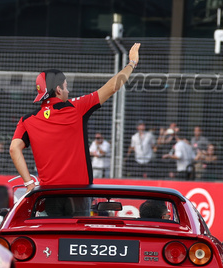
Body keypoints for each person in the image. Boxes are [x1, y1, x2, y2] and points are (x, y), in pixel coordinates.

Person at [10, 42, 141, 190]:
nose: (68, 90)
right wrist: (132, 63)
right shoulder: (76, 107)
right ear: (58, 89)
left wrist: (28, 183)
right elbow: (113, 87)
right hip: (78, 192)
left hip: (47, 193)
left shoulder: (27, 120)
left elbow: (14, 149)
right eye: (66, 86)